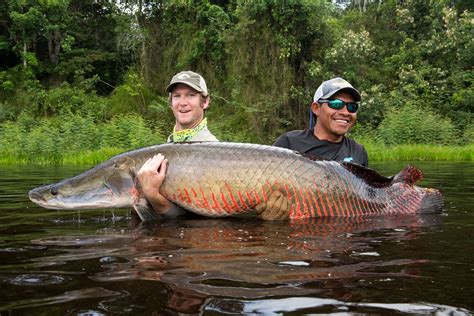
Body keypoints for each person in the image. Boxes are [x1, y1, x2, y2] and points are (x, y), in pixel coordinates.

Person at [136, 71, 287, 220]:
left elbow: (194, 220)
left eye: (191, 95)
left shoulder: (217, 153)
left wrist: (154, 197)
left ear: (205, 102)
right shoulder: (160, 152)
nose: (182, 102)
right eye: (177, 96)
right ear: (171, 103)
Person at [274, 77, 368, 166]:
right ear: (316, 108)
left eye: (352, 106)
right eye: (336, 104)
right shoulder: (289, 142)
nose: (345, 112)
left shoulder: (358, 151)